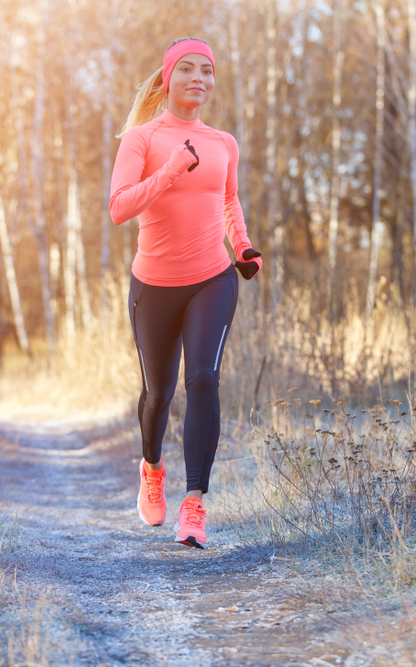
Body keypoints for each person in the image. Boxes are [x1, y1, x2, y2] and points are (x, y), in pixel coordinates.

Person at [109, 37, 262, 549]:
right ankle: (152, 469)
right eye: (189, 69)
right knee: (159, 393)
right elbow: (119, 207)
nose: (200, 78)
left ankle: (194, 506)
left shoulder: (223, 142)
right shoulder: (140, 139)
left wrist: (242, 246)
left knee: (203, 380)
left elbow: (229, 199)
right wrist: (172, 168)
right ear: (167, 77)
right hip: (153, 285)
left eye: (208, 71)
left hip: (211, 278)